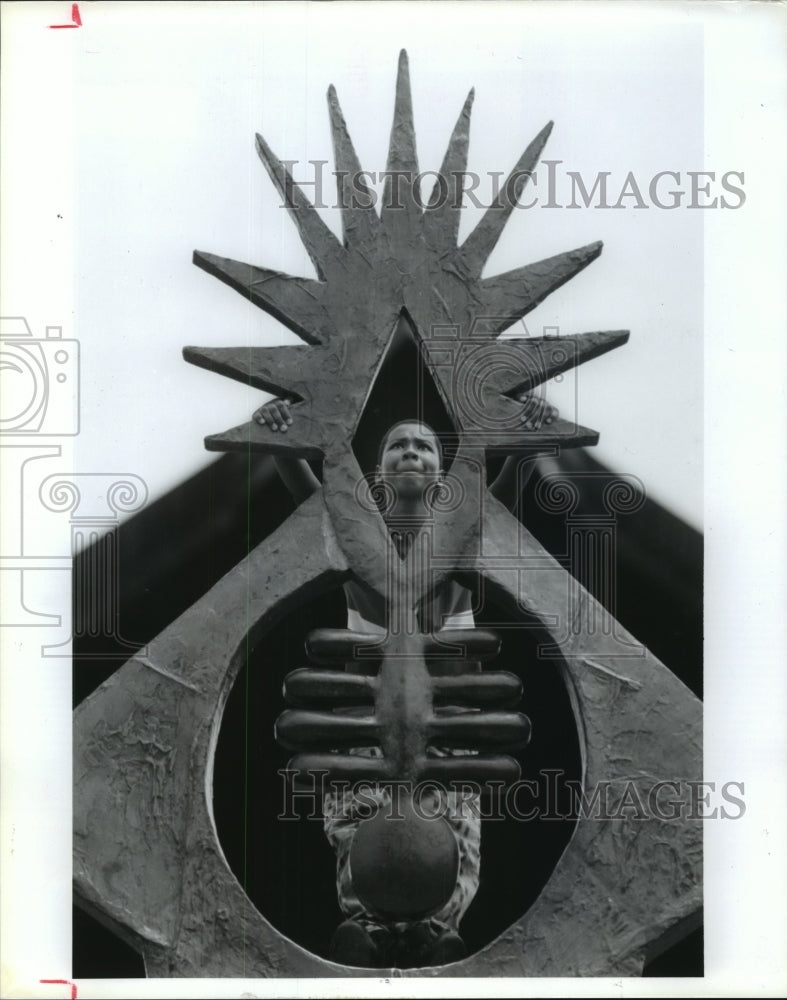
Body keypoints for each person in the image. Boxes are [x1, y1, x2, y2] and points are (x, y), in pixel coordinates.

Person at [254, 394, 555, 967]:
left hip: (448, 720)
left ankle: (442, 924)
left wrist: (527, 438)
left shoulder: (466, 533)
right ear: (378, 470)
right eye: (399, 445)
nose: (411, 452)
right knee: (357, 816)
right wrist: (280, 438)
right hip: (369, 716)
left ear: (444, 472)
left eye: (424, 446)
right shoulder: (352, 535)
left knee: (455, 818)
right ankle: (364, 922)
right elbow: (308, 496)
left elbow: (505, 489)